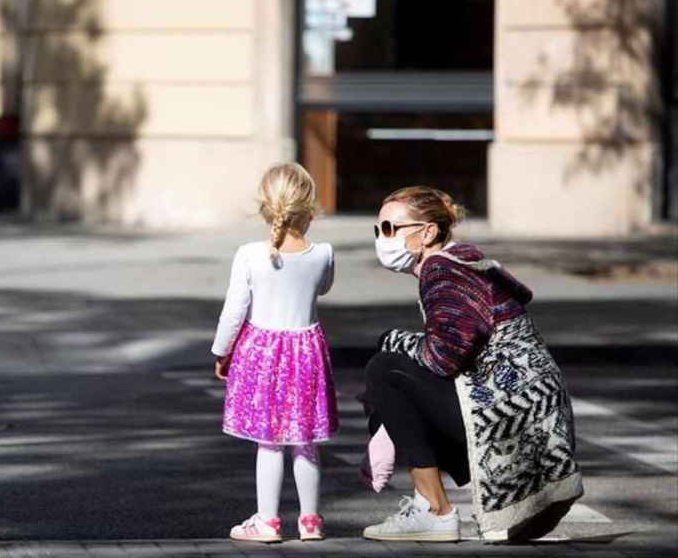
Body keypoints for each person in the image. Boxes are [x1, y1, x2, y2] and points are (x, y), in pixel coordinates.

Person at [360, 186, 583, 543]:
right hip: (529, 421)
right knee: (393, 379)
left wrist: (392, 340)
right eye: (377, 230)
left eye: (390, 229)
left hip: (513, 423)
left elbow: (444, 357)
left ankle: (433, 511)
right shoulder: (460, 260)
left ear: (427, 232)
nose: (381, 239)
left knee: (385, 369)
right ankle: (428, 503)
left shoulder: (442, 271)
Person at [211, 163, 338, 544]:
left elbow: (235, 310)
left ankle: (267, 521)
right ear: (310, 207)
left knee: (269, 441)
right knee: (305, 439)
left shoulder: (249, 254)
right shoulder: (324, 254)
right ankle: (310, 520)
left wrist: (222, 351)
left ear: (265, 206)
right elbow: (324, 288)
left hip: (261, 353)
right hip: (306, 353)